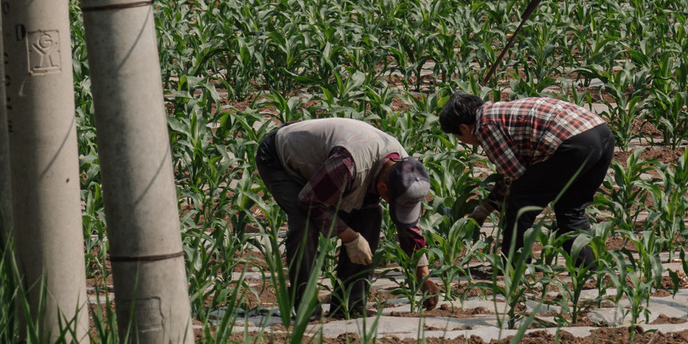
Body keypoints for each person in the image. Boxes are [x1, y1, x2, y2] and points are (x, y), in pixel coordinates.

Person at [253, 116, 435, 316]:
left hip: (328, 170)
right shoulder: (349, 164)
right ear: (384, 187)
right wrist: (350, 237)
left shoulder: (407, 172)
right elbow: (310, 201)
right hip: (282, 159)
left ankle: (349, 306)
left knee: (371, 214)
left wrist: (423, 274)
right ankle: (306, 308)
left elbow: (408, 226)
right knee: (304, 225)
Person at [437, 90, 614, 274]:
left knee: (521, 202)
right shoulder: (498, 111)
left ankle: (515, 266)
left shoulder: (484, 126)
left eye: (459, 138)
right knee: (570, 209)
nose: (464, 142)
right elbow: (522, 172)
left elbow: (515, 177)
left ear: (464, 128)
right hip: (601, 133)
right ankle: (589, 271)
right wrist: (488, 207)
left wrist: (486, 207)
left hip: (573, 142)